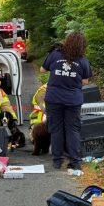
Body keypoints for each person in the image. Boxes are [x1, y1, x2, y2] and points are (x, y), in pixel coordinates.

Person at [40, 31, 93, 170]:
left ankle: (57, 161)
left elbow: (42, 70)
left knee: (56, 129)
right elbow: (86, 81)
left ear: (67, 41)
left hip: (53, 98)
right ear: (82, 46)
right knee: (72, 130)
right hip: (73, 100)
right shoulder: (82, 61)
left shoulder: (55, 54)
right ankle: (75, 162)